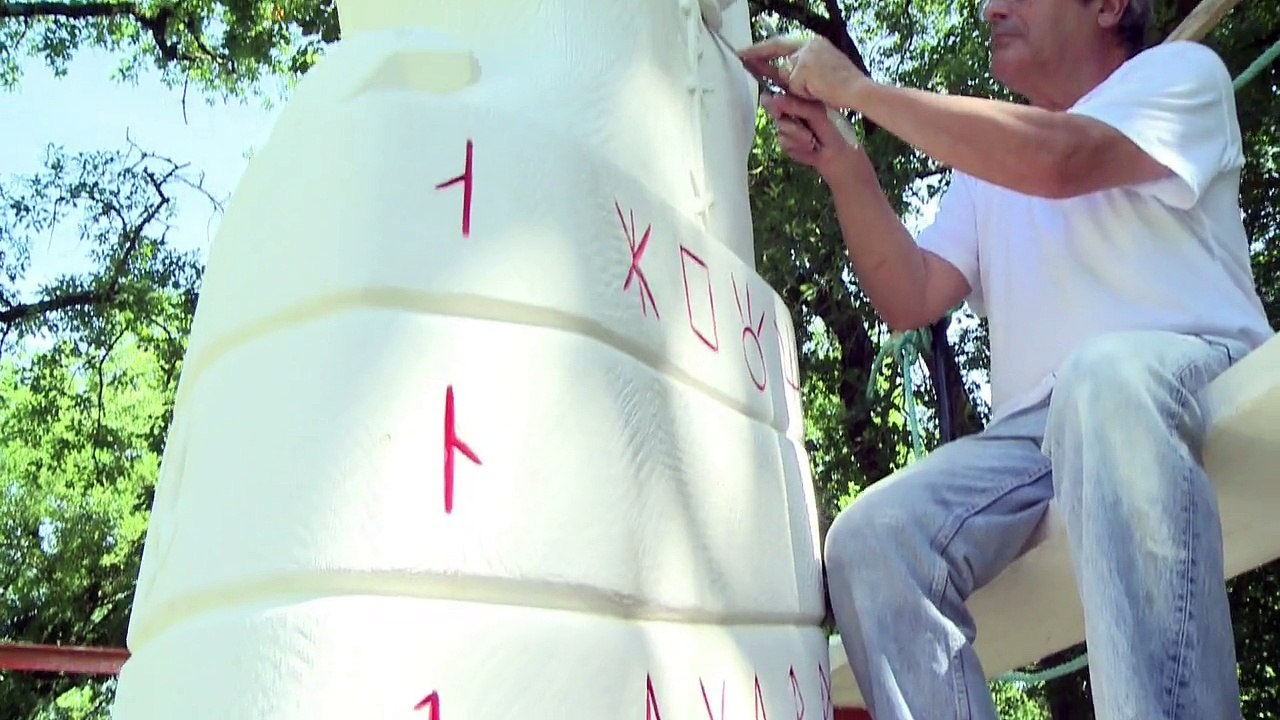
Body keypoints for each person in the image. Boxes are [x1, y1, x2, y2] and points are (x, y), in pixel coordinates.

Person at [739, 0, 1274, 717]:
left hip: (1189, 370)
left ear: (1109, 8)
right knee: (873, 538)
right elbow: (912, 294)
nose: (992, 7)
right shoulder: (986, 171)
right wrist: (846, 164)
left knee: (1103, 380)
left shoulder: (1179, 75)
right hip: (1037, 435)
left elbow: (1060, 159)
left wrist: (860, 90)